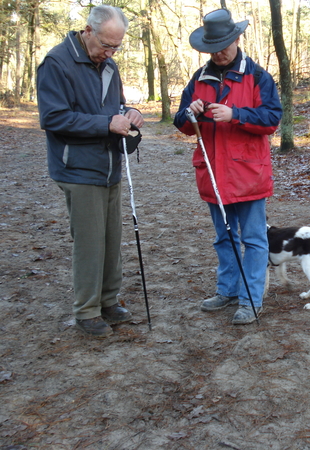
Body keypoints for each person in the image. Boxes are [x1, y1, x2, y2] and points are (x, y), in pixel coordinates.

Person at [37, 5, 144, 337]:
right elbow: (53, 118)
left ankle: (109, 302)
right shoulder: (57, 63)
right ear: (88, 31)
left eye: (116, 47)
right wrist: (106, 123)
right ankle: (86, 311)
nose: (110, 53)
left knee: (112, 239)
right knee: (90, 242)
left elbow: (114, 108)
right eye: (105, 46)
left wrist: (131, 113)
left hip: (110, 165)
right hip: (77, 169)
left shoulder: (109, 65)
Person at [174, 9, 282, 325]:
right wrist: (190, 113)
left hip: (248, 175)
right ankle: (228, 290)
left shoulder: (258, 77)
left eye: (225, 44)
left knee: (254, 239)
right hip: (213, 174)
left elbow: (272, 119)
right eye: (213, 47)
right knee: (224, 238)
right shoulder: (198, 79)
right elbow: (181, 122)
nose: (219, 52)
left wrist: (236, 115)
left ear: (236, 39)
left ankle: (250, 300)